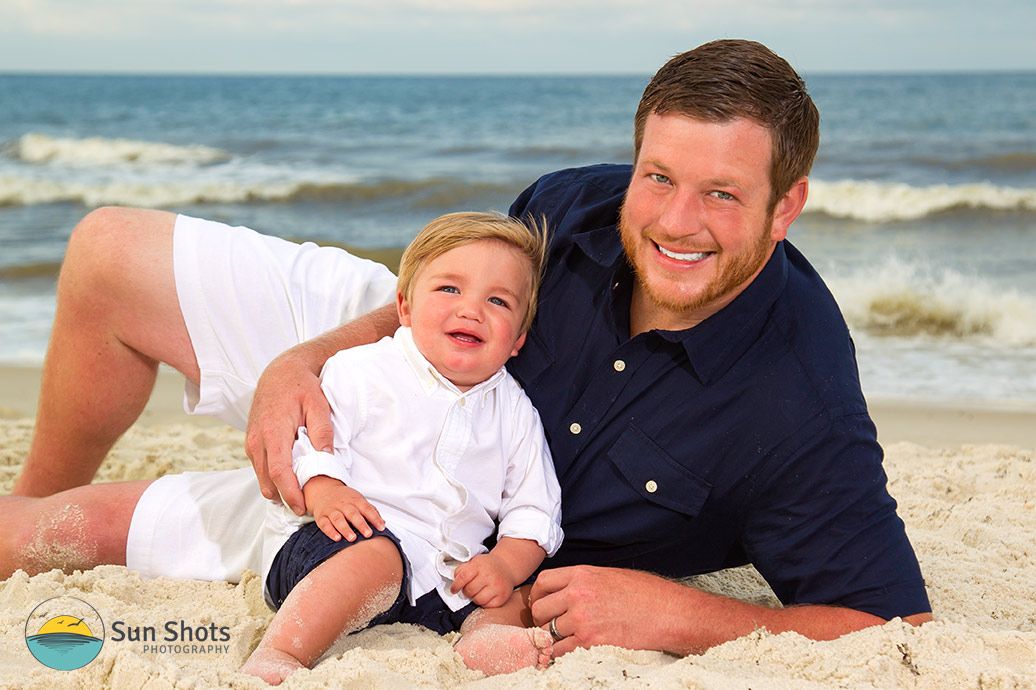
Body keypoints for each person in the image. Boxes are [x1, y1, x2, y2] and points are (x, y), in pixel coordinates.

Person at [10, 38, 932, 657]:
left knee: (63, 541)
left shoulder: (799, 398)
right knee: (106, 254)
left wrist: (685, 614)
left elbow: (891, 620)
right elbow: (453, 288)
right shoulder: (576, 204)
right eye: (659, 176)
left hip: (443, 531)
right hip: (418, 352)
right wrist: (305, 360)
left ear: (788, 206)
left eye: (722, 195)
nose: (675, 222)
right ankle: (38, 491)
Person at [2, 212, 564, 683]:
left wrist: (505, 561)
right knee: (374, 558)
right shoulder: (366, 369)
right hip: (340, 542)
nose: (471, 309)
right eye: (448, 289)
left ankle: (483, 645)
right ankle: (284, 652)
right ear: (405, 307)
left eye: (498, 301)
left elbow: (534, 507)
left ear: (517, 340)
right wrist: (324, 489)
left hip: (446, 576)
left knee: (507, 595)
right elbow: (311, 438)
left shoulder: (514, 412)